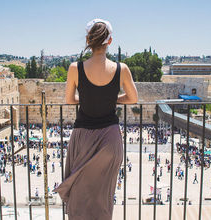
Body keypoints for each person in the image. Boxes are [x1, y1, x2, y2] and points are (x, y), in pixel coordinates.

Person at [53, 18, 138, 220]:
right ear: (110, 41)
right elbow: (133, 98)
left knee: (80, 194)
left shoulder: (75, 68)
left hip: (83, 137)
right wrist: (111, 98)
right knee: (103, 197)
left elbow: (69, 99)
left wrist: (87, 97)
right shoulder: (122, 68)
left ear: (88, 40)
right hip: (110, 138)